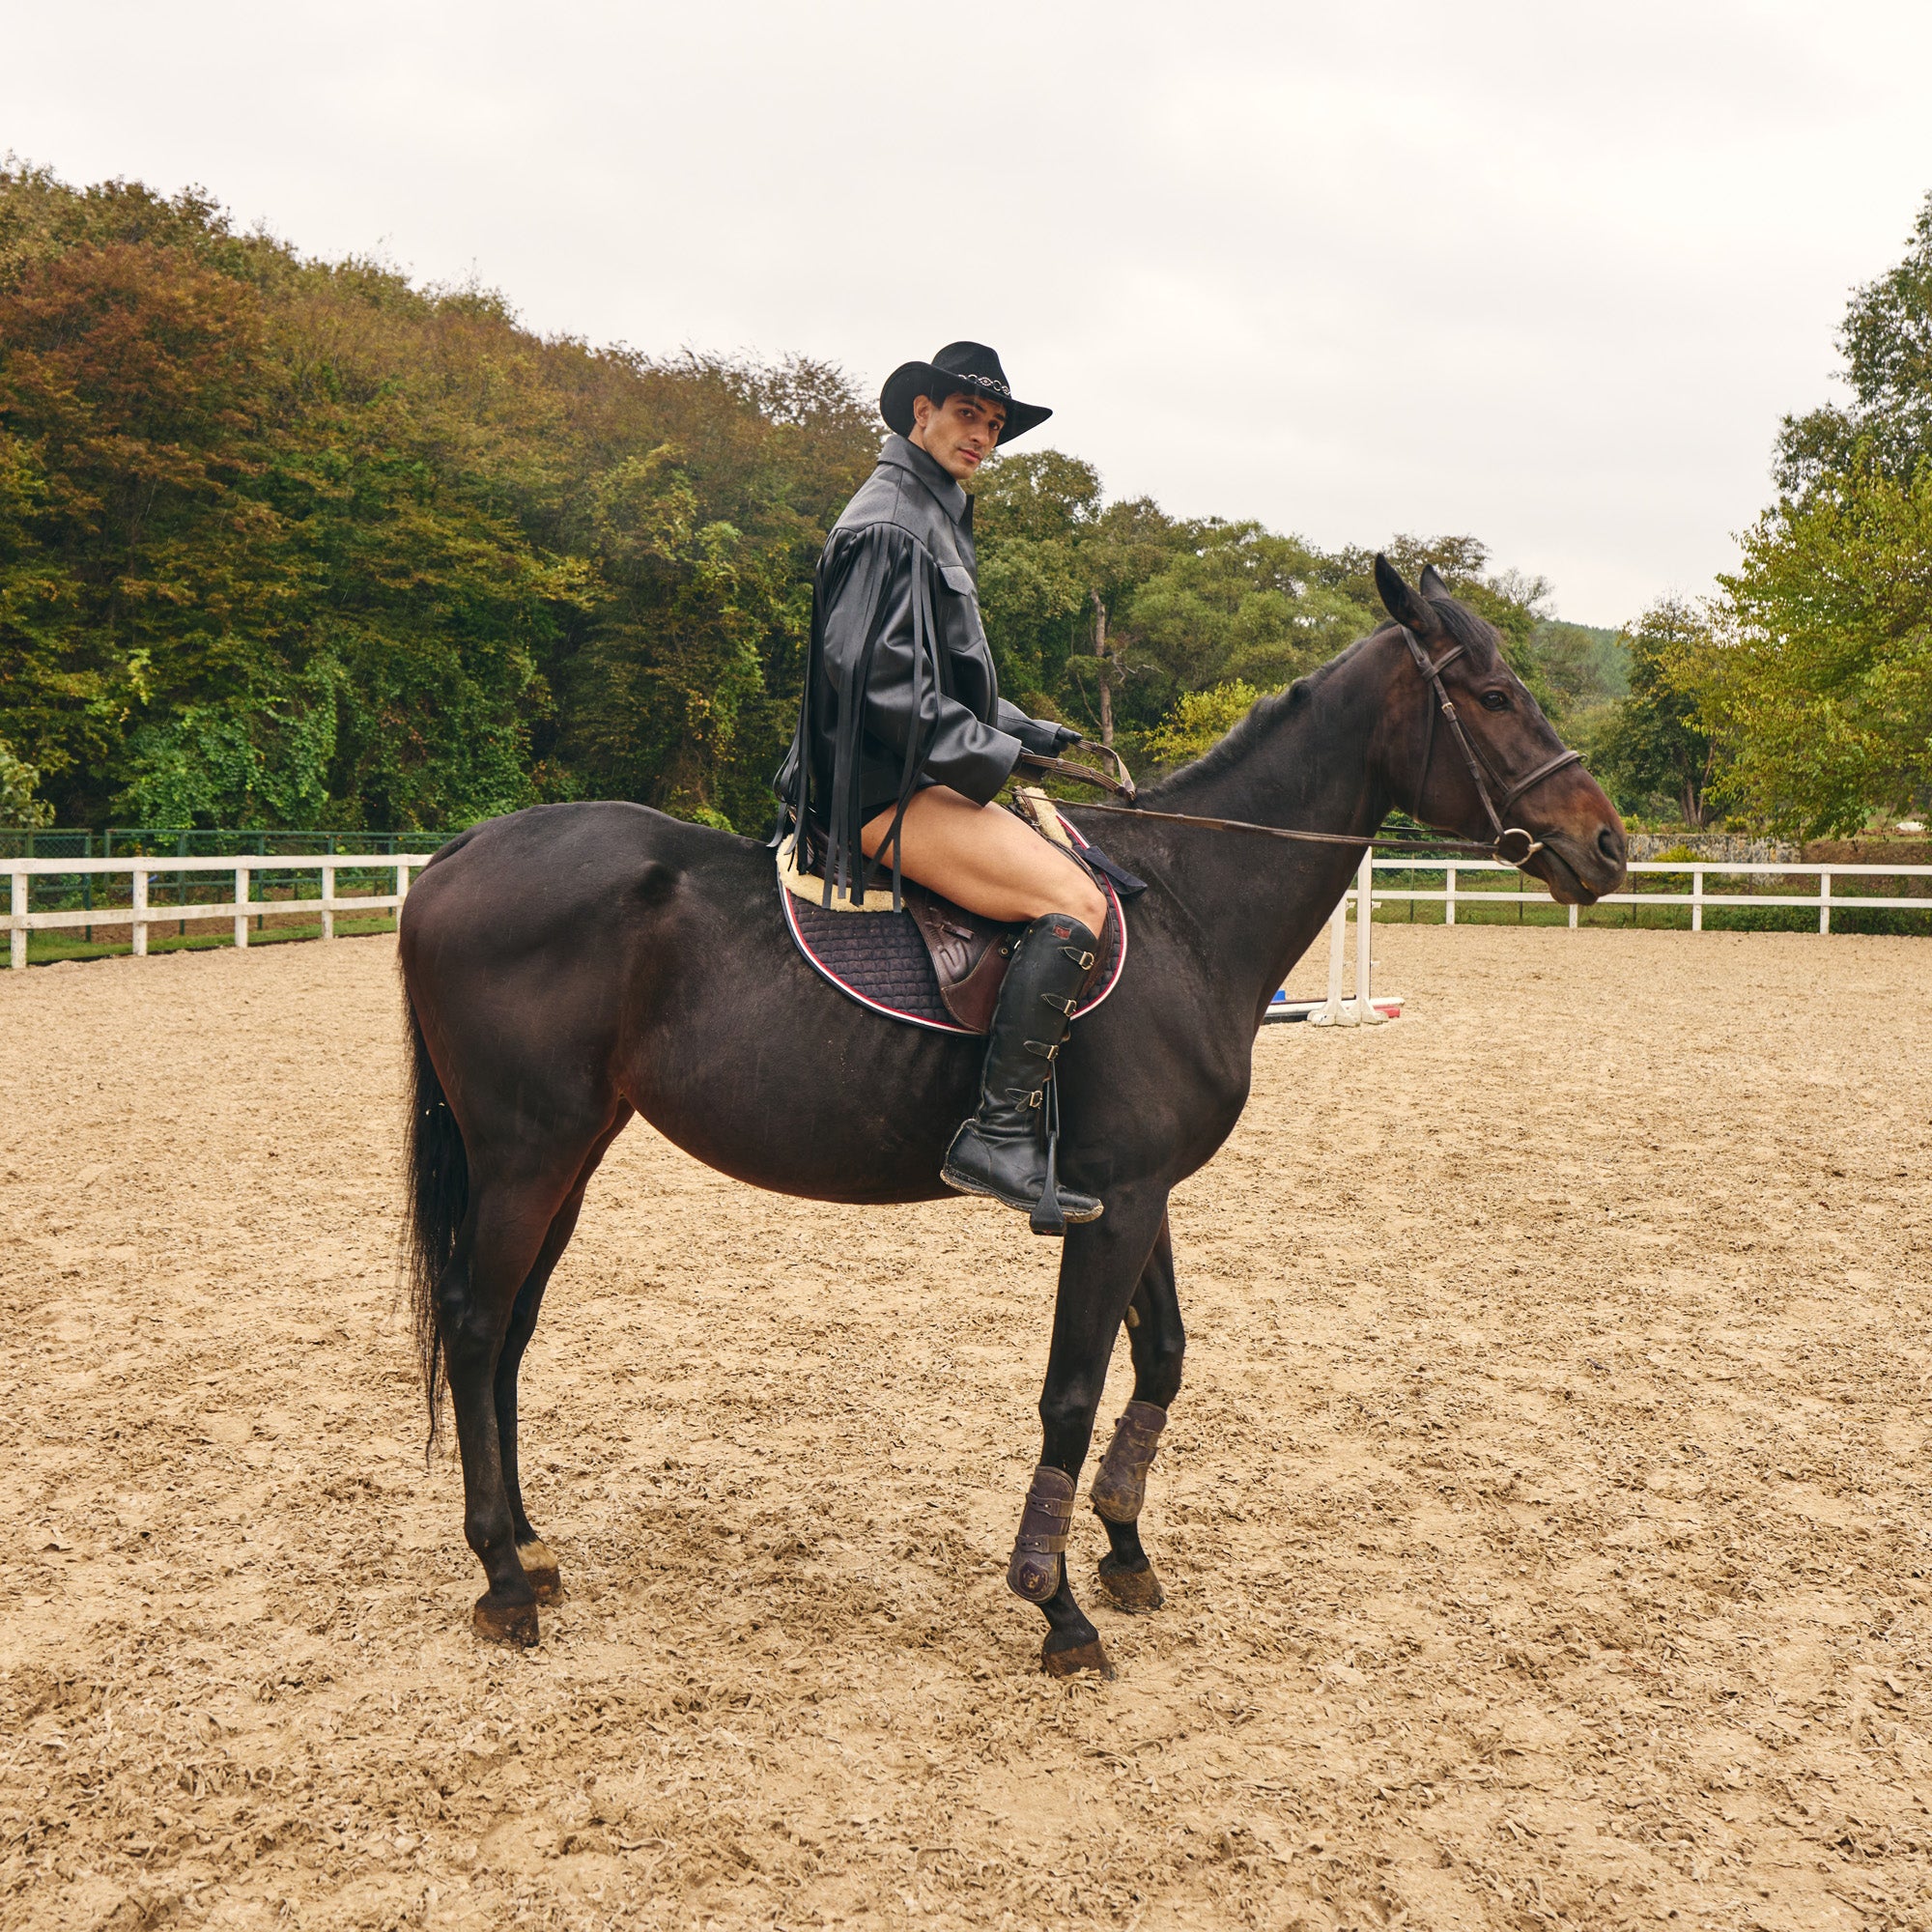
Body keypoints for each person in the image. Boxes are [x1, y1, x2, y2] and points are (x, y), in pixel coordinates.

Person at [775, 342, 1109, 1227]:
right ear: (920, 411)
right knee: (1075, 902)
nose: (984, 438)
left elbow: (940, 679)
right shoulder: (891, 519)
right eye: (969, 416)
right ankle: (996, 1136)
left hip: (912, 770)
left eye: (995, 426)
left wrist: (1026, 731)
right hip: (877, 792)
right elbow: (879, 688)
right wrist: (996, 757)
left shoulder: (932, 512)